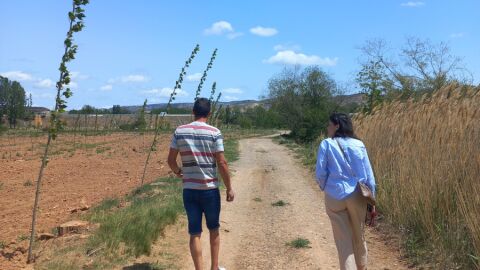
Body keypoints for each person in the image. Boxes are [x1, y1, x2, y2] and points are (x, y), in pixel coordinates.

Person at [168, 97, 234, 270]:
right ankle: (214, 268)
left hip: (189, 190)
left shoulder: (179, 131)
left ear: (193, 112)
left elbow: (171, 160)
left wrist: (179, 172)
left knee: (194, 232)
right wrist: (229, 187)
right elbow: (222, 162)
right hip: (210, 190)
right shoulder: (214, 132)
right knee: (214, 229)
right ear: (209, 113)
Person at [315, 112, 376, 270]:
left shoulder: (326, 144)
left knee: (343, 241)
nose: (327, 128)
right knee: (359, 234)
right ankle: (362, 267)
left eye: (329, 125)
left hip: (334, 195)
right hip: (357, 194)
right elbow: (369, 177)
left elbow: (320, 173)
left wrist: (324, 187)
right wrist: (372, 199)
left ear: (337, 126)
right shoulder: (359, 144)